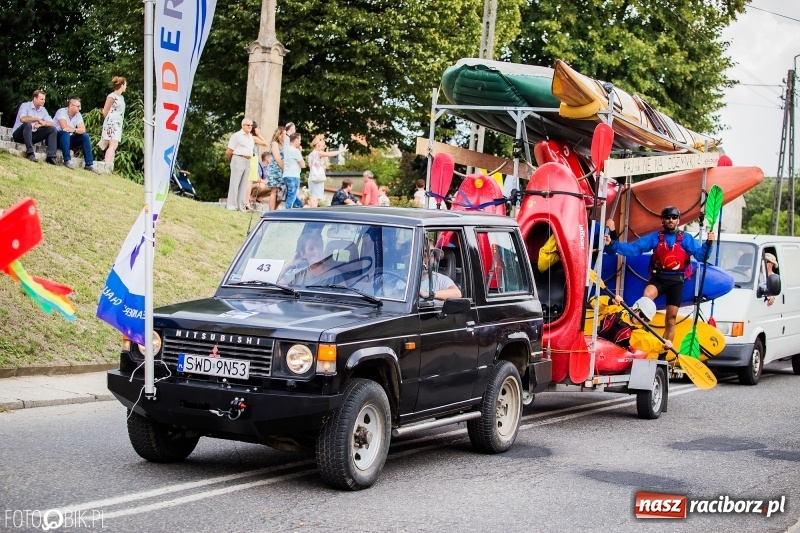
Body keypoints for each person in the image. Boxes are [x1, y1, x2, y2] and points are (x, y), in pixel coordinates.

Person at [604, 205, 715, 350]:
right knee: (645, 301)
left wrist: (709, 243)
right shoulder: (655, 238)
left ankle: (664, 351)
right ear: (662, 220)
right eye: (667, 217)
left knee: (671, 319)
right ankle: (639, 340)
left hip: (676, 281)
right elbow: (634, 249)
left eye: (674, 217)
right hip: (659, 278)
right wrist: (613, 244)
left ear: (678, 220)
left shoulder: (686, 239)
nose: (671, 220)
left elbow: (701, 256)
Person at [590, 294, 665, 356]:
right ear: (636, 308)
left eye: (646, 319)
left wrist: (664, 346)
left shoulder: (638, 331)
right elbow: (593, 302)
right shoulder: (617, 309)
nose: (642, 320)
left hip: (614, 354)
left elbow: (651, 342)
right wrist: (611, 301)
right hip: (599, 344)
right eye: (641, 315)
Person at [279, 232, 345, 286]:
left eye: (319, 246)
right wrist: (290, 264)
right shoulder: (296, 274)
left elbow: (344, 299)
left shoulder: (335, 275)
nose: (317, 251)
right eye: (311, 248)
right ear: (303, 254)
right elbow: (276, 287)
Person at [12, 90, 57, 164]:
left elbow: (52, 123)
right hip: (19, 135)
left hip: (32, 135)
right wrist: (37, 119)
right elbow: (23, 119)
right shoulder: (25, 105)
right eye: (42, 99)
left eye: (44, 99)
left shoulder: (43, 110)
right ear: (35, 98)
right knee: (27, 124)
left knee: (52, 129)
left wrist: (42, 124)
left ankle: (51, 156)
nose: (44, 101)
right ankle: (30, 153)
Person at [53, 97, 97, 172]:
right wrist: (73, 130)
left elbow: (83, 130)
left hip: (66, 140)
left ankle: (89, 164)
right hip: (55, 139)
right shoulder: (61, 112)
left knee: (85, 136)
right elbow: (64, 127)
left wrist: (74, 130)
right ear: (71, 105)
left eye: (80, 106)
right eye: (78, 106)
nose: (80, 108)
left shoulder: (78, 115)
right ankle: (67, 160)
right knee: (65, 132)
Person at [225, 118, 255, 211]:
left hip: (248, 160)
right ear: (242, 125)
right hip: (238, 158)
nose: (250, 127)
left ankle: (240, 206)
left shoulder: (251, 137)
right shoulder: (237, 136)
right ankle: (231, 205)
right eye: (248, 125)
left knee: (244, 184)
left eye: (251, 125)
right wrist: (232, 161)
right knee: (235, 183)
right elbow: (229, 151)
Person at [98, 76, 127, 170]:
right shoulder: (112, 96)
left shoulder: (121, 97)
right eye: (125, 84)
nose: (126, 87)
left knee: (114, 145)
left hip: (118, 123)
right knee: (112, 145)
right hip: (112, 123)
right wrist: (110, 120)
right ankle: (107, 164)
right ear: (122, 85)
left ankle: (109, 164)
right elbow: (104, 111)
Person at [307, 134, 347, 202]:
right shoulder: (318, 153)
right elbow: (330, 154)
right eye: (322, 146)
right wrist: (341, 151)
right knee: (316, 198)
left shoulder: (311, 154)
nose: (322, 148)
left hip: (312, 177)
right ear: (317, 145)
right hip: (318, 178)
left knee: (312, 197)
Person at [282, 133, 305, 209]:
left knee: (290, 194)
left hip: (286, 174)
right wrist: (300, 152)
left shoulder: (286, 149)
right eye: (300, 140)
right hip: (294, 175)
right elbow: (303, 165)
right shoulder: (296, 151)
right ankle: (288, 212)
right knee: (292, 196)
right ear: (296, 140)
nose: (300, 142)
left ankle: (300, 207)